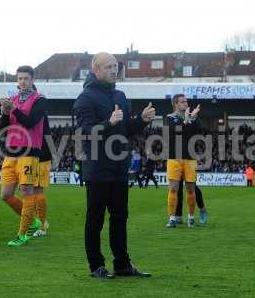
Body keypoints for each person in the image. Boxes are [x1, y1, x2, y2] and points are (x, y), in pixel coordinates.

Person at [73, 52, 154, 279]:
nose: (113, 70)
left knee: (120, 217)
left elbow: (125, 129)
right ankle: (96, 266)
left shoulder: (121, 95)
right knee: (95, 219)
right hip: (98, 168)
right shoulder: (85, 98)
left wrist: (141, 121)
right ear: (95, 70)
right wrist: (108, 122)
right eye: (108, 67)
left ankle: (122, 265)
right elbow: (86, 132)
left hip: (119, 167)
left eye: (115, 66)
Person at [0, 66, 45, 246]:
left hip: (29, 151)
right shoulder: (13, 100)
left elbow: (30, 121)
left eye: (26, 78)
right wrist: (4, 112)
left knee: (27, 192)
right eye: (19, 79)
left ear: (32, 80)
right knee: (5, 195)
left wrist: (14, 109)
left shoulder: (40, 100)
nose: (22, 82)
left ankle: (22, 234)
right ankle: (33, 222)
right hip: (11, 153)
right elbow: (4, 128)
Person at [165, 94, 201, 228]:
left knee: (191, 189)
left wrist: (192, 118)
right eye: (183, 102)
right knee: (173, 188)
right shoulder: (169, 118)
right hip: (174, 157)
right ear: (175, 104)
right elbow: (176, 131)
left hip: (190, 158)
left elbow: (197, 132)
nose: (186, 104)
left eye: (186, 101)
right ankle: (172, 218)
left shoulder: (191, 118)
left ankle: (191, 217)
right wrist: (186, 120)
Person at [32, 114, 52, 237]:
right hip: (34, 155)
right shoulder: (40, 112)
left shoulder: (38, 114)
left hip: (40, 156)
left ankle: (42, 225)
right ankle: (42, 221)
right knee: (30, 191)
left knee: (37, 190)